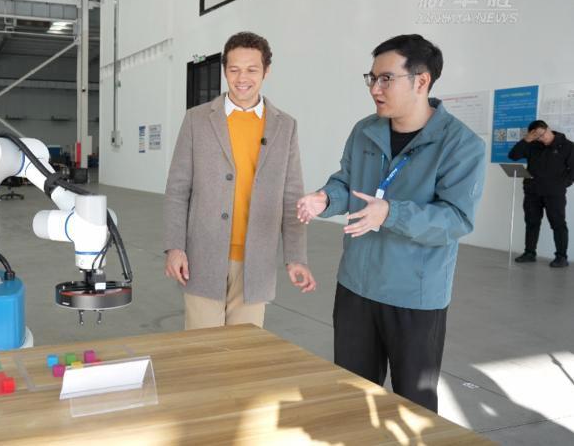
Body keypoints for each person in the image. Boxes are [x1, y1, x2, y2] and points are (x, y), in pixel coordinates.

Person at [296, 34, 486, 412]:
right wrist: (326, 198)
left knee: (413, 406)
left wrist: (390, 213)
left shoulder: (460, 144)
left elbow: (456, 219)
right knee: (352, 396)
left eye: (386, 79)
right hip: (356, 286)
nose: (375, 89)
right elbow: (346, 182)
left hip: (414, 297)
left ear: (421, 81)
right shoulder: (365, 131)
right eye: (372, 78)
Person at [163, 31, 315, 330]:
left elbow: (291, 195)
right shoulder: (196, 120)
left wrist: (296, 257)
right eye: (234, 69)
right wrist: (174, 247)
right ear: (224, 71)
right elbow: (177, 190)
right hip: (202, 256)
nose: (242, 78)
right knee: (203, 348)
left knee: (244, 350)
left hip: (257, 260)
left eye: (251, 69)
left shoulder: (285, 126)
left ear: (266, 71)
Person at [508, 120, 574, 267]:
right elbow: (513, 156)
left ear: (548, 129)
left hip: (554, 193)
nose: (541, 138)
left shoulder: (568, 146)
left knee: (558, 224)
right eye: (536, 137)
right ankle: (530, 253)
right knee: (532, 222)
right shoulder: (532, 145)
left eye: (542, 134)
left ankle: (561, 257)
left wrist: (562, 184)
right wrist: (526, 140)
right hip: (532, 192)